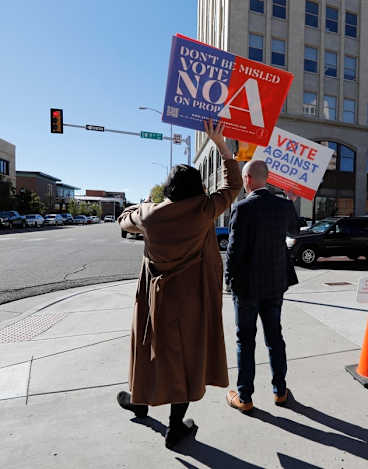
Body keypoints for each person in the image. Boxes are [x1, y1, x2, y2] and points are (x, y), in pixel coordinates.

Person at [116, 120, 242, 448]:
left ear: (169, 189)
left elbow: (124, 219)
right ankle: (175, 427)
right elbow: (233, 185)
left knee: (146, 350)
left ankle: (140, 402)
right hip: (191, 301)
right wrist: (221, 144)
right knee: (186, 360)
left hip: (153, 301)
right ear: (198, 187)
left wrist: (142, 206)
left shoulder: (149, 215)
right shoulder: (204, 211)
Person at [224, 161, 299, 412]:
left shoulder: (242, 207)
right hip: (275, 285)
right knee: (274, 337)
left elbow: (233, 250)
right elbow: (294, 231)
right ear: (265, 179)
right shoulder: (284, 205)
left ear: (247, 179)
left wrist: (228, 281)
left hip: (246, 288)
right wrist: (291, 200)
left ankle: (244, 397)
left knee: (245, 341)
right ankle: (280, 391)